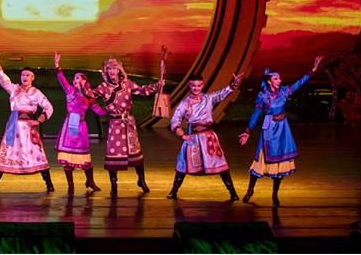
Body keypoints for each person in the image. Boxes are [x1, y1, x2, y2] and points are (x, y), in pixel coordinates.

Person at [238, 56, 323, 206]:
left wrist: (313, 69)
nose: (279, 81)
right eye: (276, 79)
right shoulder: (263, 96)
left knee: (280, 163)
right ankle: (250, 190)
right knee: (260, 161)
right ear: (269, 81)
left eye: (280, 78)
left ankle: (275, 194)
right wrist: (247, 131)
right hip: (270, 129)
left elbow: (299, 83)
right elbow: (256, 114)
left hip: (283, 128)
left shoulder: (284, 91)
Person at [87, 57, 162, 196]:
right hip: (115, 125)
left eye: (114, 68)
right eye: (109, 69)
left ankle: (141, 180)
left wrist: (157, 85)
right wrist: (82, 88)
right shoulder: (103, 87)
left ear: (119, 70)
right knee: (113, 154)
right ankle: (113, 184)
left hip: (128, 124)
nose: (112, 71)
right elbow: (90, 95)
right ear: (106, 71)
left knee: (136, 154)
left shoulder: (127, 83)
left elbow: (142, 91)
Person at [0, 50, 55, 194]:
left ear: (32, 77)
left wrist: (38, 120)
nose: (25, 77)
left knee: (37, 153)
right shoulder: (14, 89)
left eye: (28, 75)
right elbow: (3, 79)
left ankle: (49, 184)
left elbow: (48, 107)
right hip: (14, 126)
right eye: (23, 75)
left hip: (28, 128)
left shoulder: (36, 92)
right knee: (6, 152)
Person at [167, 73, 244, 200]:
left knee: (221, 163)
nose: (196, 88)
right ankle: (173, 191)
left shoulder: (208, 98)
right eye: (193, 86)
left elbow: (222, 94)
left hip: (208, 137)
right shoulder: (185, 103)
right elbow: (175, 120)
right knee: (183, 163)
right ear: (189, 85)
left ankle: (233, 193)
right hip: (193, 138)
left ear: (202, 85)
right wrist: (182, 134)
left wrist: (233, 84)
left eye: (199, 86)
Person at [54, 52, 106, 195]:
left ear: (84, 81)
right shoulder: (70, 91)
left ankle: (90, 181)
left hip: (81, 124)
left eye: (79, 78)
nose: (75, 79)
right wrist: (57, 66)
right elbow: (62, 79)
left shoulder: (89, 95)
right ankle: (70, 185)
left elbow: (96, 108)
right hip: (72, 122)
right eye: (75, 78)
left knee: (84, 154)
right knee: (69, 155)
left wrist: (109, 112)